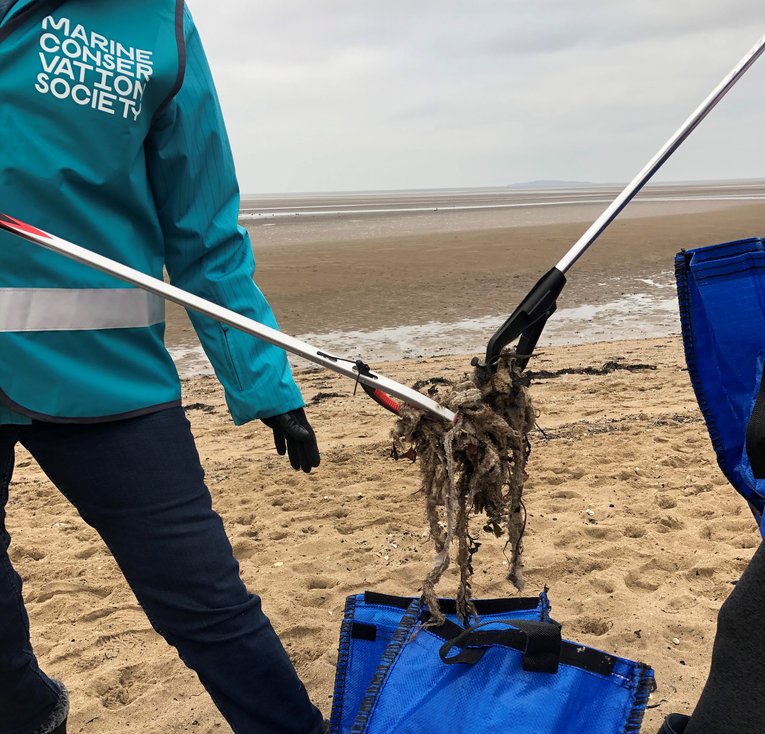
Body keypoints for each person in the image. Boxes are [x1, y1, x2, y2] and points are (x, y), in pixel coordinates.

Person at [0, 1, 325, 732]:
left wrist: (264, 380)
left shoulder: (159, 27)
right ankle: (27, 710)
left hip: (107, 378)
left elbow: (203, 230)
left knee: (205, 601)